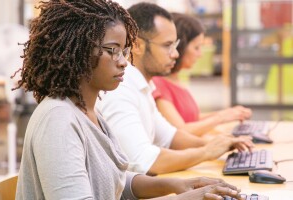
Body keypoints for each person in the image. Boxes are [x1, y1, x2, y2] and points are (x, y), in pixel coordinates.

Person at [13, 0, 243, 199]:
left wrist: (177, 185)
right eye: (112, 50)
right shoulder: (58, 119)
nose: (123, 61)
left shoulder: (88, 111)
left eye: (123, 50)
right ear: (79, 51)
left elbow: (115, 182)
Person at [97, 2, 253, 176]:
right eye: (167, 46)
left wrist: (220, 143)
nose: (175, 54)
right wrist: (206, 152)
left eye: (175, 45)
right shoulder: (121, 90)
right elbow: (144, 161)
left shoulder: (142, 85)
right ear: (137, 45)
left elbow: (169, 137)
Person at [151, 13, 252, 136]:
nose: (200, 54)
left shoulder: (175, 79)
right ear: (180, 47)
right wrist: (220, 118)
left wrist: (228, 114)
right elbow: (180, 131)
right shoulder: (158, 84)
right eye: (196, 48)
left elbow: (191, 118)